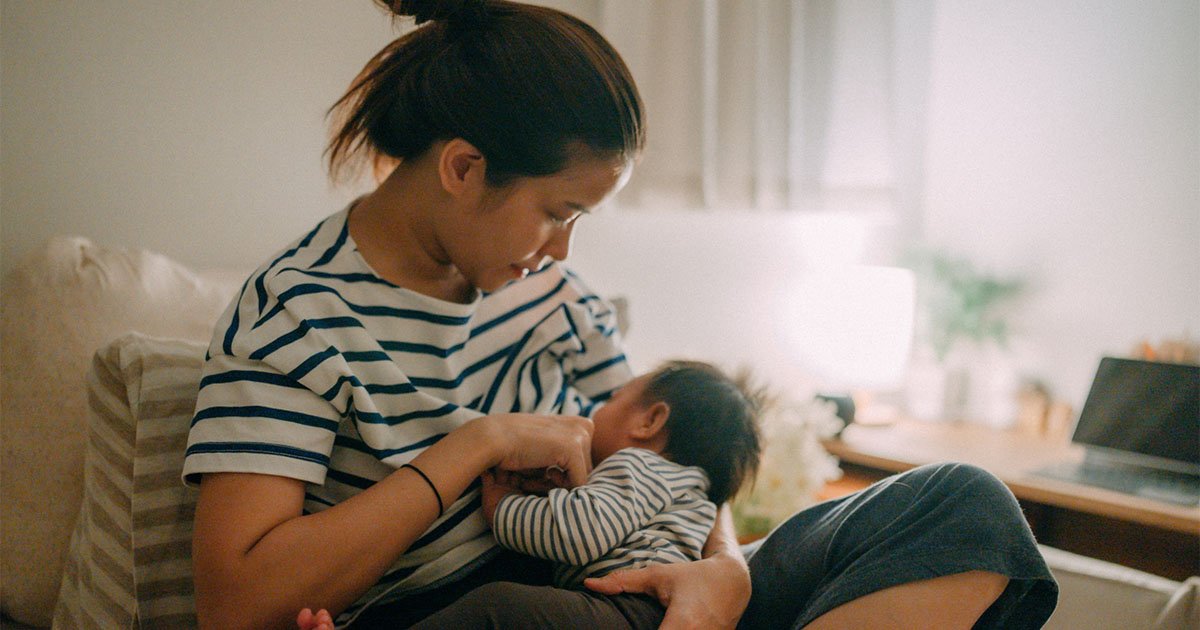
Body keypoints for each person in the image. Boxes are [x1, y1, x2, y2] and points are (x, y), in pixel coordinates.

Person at [185, 1, 1059, 629]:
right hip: (484, 614)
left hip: (637, 591)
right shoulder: (297, 313)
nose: (563, 251)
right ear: (462, 167)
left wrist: (716, 573)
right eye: (557, 211)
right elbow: (237, 600)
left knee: (965, 503)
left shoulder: (556, 299)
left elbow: (679, 460)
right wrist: (479, 445)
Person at [299, 360, 765, 629]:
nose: (595, 410)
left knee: (496, 608)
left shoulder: (638, 464)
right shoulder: (695, 496)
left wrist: (504, 506)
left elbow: (580, 534)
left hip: (622, 613)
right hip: (641, 616)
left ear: (649, 422)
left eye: (613, 399)